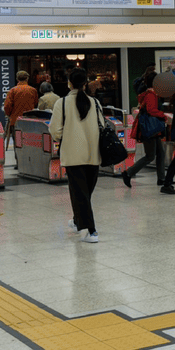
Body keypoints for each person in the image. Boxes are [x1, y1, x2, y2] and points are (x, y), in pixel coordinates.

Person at [50, 68, 103, 243]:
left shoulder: (62, 103)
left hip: (73, 155)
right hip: (93, 154)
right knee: (84, 192)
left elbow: (55, 131)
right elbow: (102, 126)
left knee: (80, 193)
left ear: (69, 83)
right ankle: (76, 221)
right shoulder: (95, 102)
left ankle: (91, 231)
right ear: (85, 83)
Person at [122, 72, 171, 188]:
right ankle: (128, 173)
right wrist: (163, 116)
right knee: (150, 156)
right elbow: (151, 110)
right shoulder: (151, 95)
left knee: (161, 153)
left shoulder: (149, 93)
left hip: (151, 128)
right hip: (151, 129)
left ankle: (161, 178)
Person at [3, 70, 38, 151]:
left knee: (18, 143)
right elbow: (36, 104)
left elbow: (7, 106)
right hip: (30, 121)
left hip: (16, 121)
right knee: (29, 142)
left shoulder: (12, 91)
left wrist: (9, 115)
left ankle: (18, 159)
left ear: (17, 79)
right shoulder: (33, 90)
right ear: (27, 79)